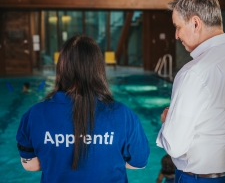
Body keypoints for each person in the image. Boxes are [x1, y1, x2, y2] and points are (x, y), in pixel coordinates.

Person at [156, 0, 225, 183]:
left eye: (178, 26)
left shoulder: (193, 72)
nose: (176, 35)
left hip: (200, 178)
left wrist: (167, 122)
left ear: (196, 23)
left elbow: (175, 146)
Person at [16, 35, 150, 183]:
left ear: (61, 67)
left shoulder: (34, 115)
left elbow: (30, 165)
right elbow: (139, 164)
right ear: (98, 69)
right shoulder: (123, 115)